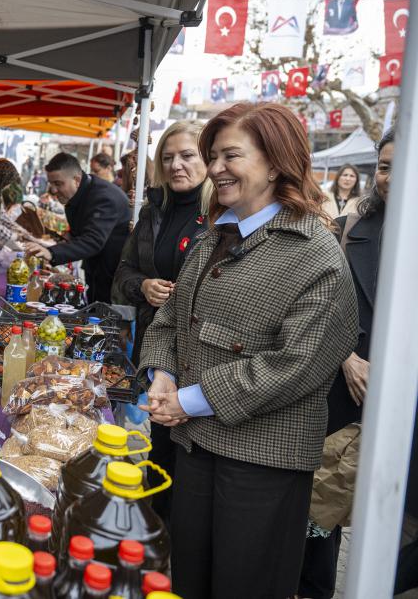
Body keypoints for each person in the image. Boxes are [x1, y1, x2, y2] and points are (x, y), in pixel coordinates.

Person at [138, 103, 358, 599]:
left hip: (262, 465)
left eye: (229, 155)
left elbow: (297, 364)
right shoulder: (218, 234)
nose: (214, 168)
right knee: (189, 580)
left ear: (276, 162)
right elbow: (172, 318)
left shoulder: (314, 253)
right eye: (212, 156)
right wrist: (162, 373)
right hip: (195, 448)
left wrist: (189, 399)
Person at [298, 130, 394, 599]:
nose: (390, 177)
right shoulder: (351, 228)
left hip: (400, 396)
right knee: (326, 496)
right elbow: (325, 307)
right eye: (384, 166)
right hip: (345, 385)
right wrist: (348, 358)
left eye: (402, 167)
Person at [112, 120, 209, 521]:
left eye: (187, 155)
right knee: (162, 445)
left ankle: (179, 534)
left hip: (202, 353)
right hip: (157, 346)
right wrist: (144, 285)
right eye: (167, 158)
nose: (176, 165)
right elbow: (123, 274)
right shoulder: (153, 212)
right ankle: (158, 530)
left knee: (194, 454)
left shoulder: (220, 214)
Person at [25, 153, 131, 304]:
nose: (53, 190)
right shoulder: (81, 193)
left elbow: (92, 241)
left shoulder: (104, 196)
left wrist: (52, 253)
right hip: (96, 268)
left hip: (113, 274)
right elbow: (80, 233)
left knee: (103, 318)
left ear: (76, 180)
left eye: (58, 184)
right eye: (51, 184)